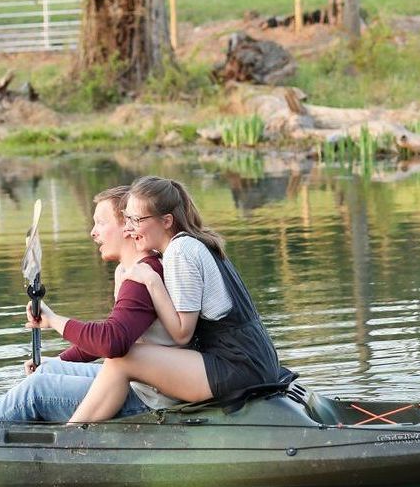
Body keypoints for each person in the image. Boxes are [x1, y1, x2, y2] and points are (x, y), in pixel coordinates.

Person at [67, 176, 284, 424]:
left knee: (124, 359)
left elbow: (183, 334)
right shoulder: (194, 242)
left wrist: (151, 281)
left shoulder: (180, 252)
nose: (131, 228)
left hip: (237, 367)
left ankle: (69, 435)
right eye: (128, 220)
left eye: (137, 220)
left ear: (166, 220)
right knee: (125, 357)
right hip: (253, 359)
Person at [0, 185, 178, 424]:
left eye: (101, 223)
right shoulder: (126, 271)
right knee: (44, 372)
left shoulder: (142, 275)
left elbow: (111, 341)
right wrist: (60, 360)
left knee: (37, 389)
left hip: (148, 398)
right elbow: (114, 336)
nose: (93, 232)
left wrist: (54, 321)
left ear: (128, 226)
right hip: (133, 382)